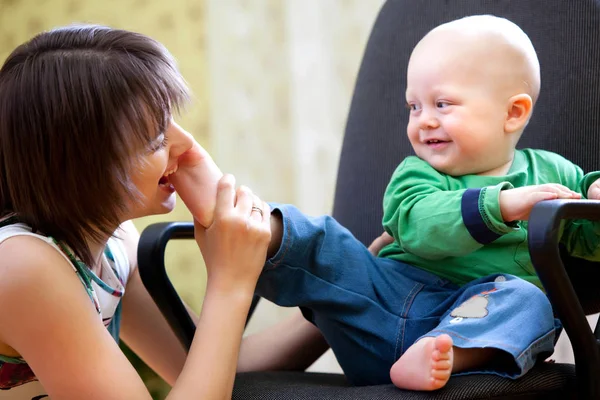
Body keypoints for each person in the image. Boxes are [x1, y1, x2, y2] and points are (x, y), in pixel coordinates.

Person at [175, 15, 600, 392]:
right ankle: (243, 222)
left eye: (442, 104)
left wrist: (596, 199)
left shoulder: (555, 175)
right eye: (413, 106)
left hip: (470, 324)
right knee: (325, 239)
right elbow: (419, 227)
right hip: (386, 304)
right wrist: (501, 205)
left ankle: (446, 354)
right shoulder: (417, 175)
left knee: (531, 302)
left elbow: (586, 240)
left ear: (513, 113)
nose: (424, 119)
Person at [0, 24, 351, 399]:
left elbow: (220, 368)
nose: (187, 145)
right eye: (155, 139)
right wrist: (229, 281)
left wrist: (352, 289)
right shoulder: (22, 265)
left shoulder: (116, 246)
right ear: (79, 170)